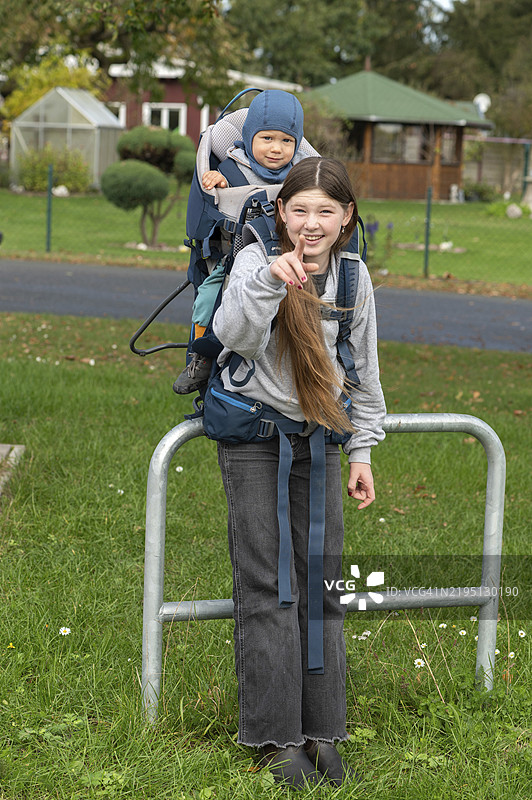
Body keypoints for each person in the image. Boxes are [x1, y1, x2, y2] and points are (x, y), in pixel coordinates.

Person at [211, 157, 386, 788]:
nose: (311, 225)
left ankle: (322, 730)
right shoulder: (255, 261)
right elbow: (230, 334)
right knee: (268, 583)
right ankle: (273, 736)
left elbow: (362, 369)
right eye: (299, 210)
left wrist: (362, 451)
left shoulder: (352, 276)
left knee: (324, 586)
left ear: (345, 220)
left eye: (326, 212)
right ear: (282, 213)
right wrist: (268, 284)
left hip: (322, 439)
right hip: (256, 437)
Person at [173, 89, 307, 395]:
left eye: (287, 141)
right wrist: (216, 181)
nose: (277, 149)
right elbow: (214, 184)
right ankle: (201, 355)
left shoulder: (302, 174)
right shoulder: (232, 166)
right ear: (249, 137)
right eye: (267, 138)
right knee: (207, 299)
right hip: (231, 259)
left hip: (286, 261)